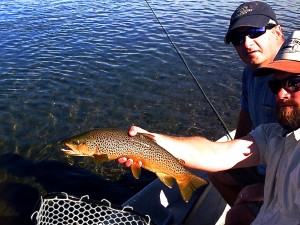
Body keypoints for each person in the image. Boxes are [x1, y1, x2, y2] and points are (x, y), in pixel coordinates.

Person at [119, 31, 300, 224]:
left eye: (294, 83)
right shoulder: (274, 135)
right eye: (275, 85)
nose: (281, 94)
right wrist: (148, 140)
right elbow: (214, 153)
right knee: (235, 217)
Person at [208, 2, 285, 223]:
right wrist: (231, 153)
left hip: (289, 176)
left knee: (234, 218)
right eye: (238, 39)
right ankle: (261, 216)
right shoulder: (249, 72)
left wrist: (268, 188)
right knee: (217, 171)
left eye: (255, 32)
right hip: (262, 165)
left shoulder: (293, 79)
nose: (246, 43)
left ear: (278, 32)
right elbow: (247, 113)